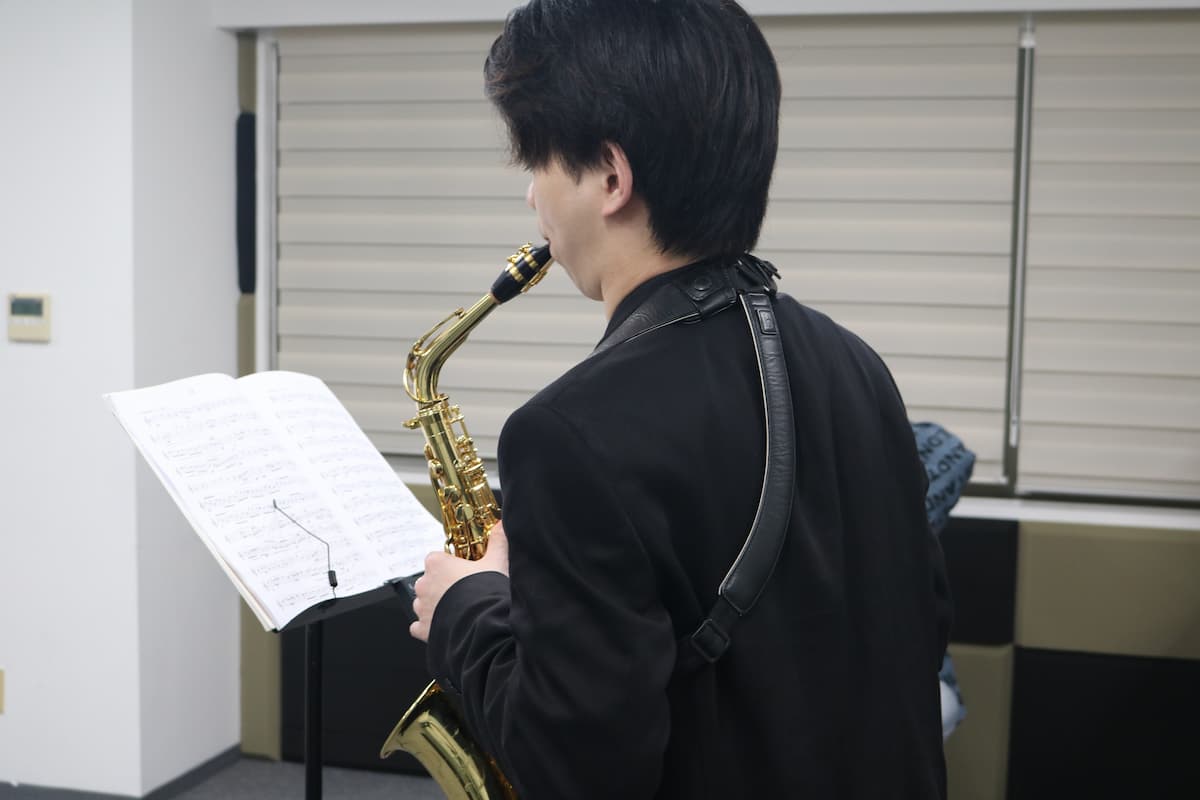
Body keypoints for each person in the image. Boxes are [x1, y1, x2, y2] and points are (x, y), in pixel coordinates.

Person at [409, 1, 952, 797]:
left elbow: (576, 770)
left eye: (538, 163)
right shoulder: (856, 364)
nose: (532, 198)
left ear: (610, 176)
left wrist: (467, 607)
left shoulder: (568, 433)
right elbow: (920, 630)